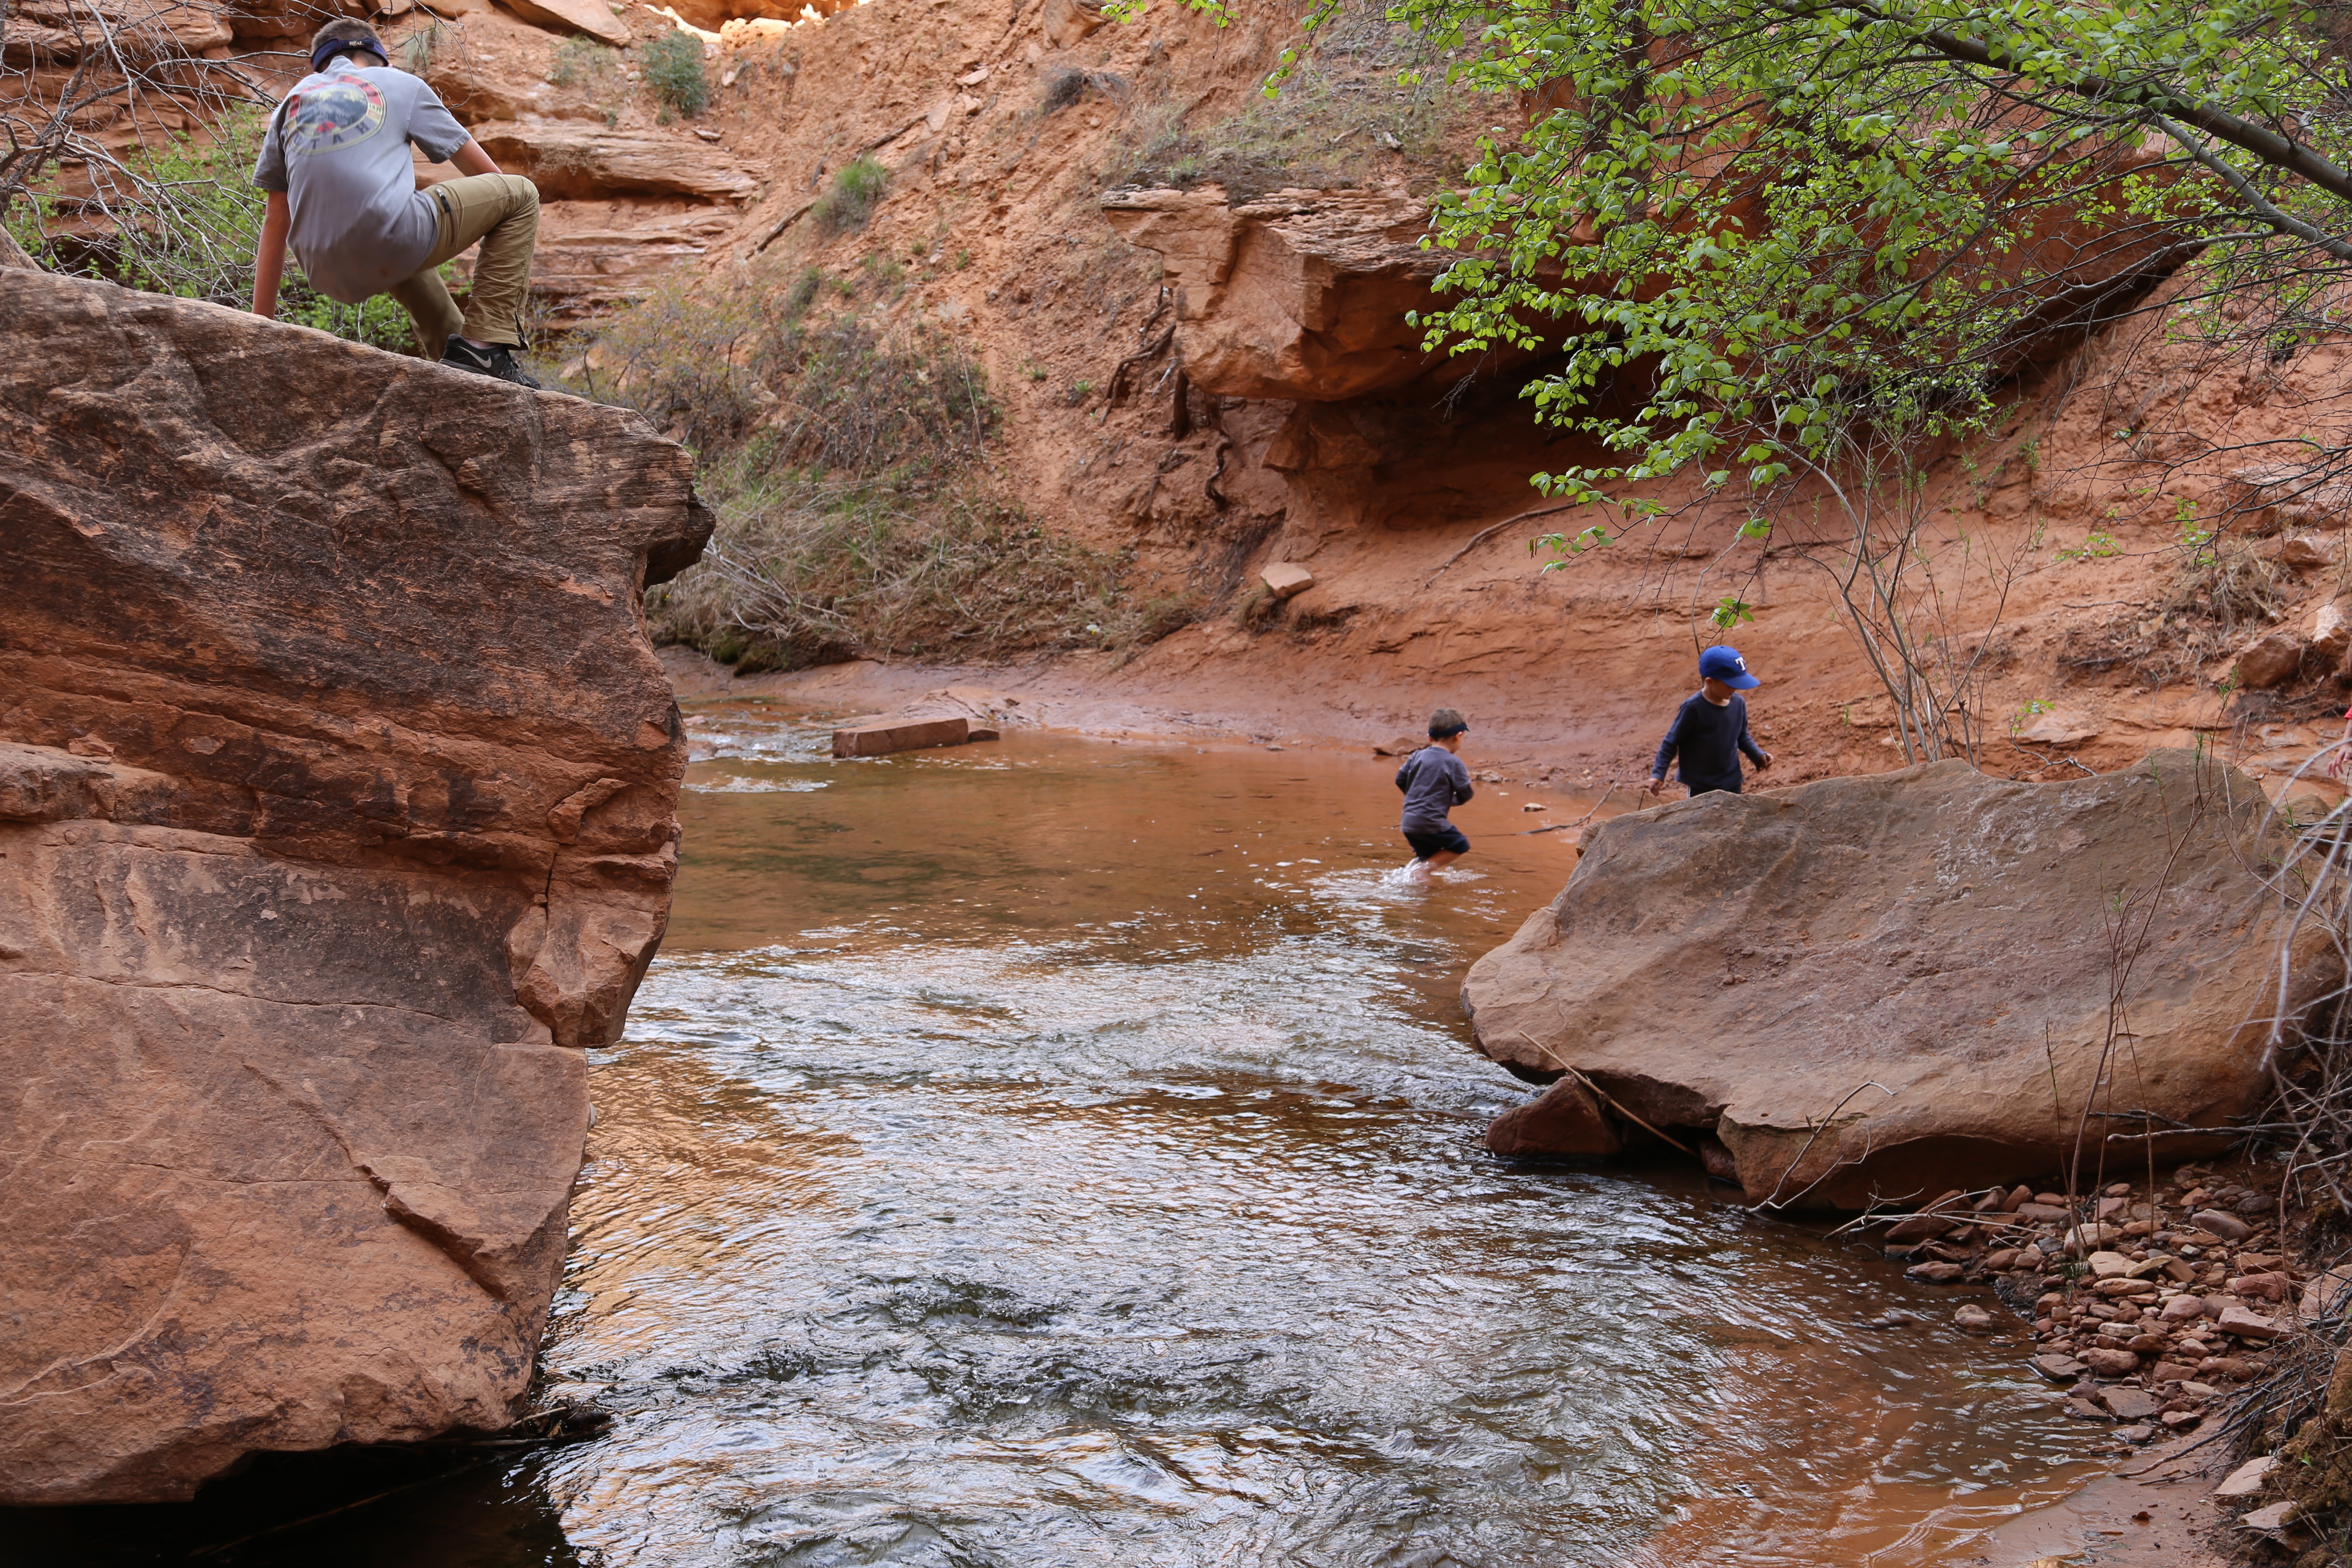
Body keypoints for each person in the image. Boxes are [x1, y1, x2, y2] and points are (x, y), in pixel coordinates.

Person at [250, 18, 544, 386]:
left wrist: (258, 329)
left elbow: (276, 220)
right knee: (520, 194)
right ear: (381, 60)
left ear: (320, 66)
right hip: (391, 236)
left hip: (322, 270)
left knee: (405, 256)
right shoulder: (400, 83)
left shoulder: (289, 105)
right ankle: (485, 349)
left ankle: (469, 377)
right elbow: (494, 181)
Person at [1645, 646, 1775, 798]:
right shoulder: (1693, 708)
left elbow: (1742, 736)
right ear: (1710, 681)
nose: (1735, 689)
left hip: (1732, 781)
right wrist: (1659, 774)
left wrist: (1758, 756)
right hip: (1701, 785)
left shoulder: (1738, 703)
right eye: (1730, 684)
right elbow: (1671, 742)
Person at [1396, 708, 1475, 876]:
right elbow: (1466, 793)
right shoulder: (1454, 763)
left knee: (1427, 857)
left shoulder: (1417, 756)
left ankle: (1421, 886)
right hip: (1430, 822)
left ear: (1430, 738)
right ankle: (1422, 873)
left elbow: (1400, 780)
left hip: (1409, 822)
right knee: (1461, 844)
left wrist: (1416, 798)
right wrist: (1450, 802)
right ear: (1458, 737)